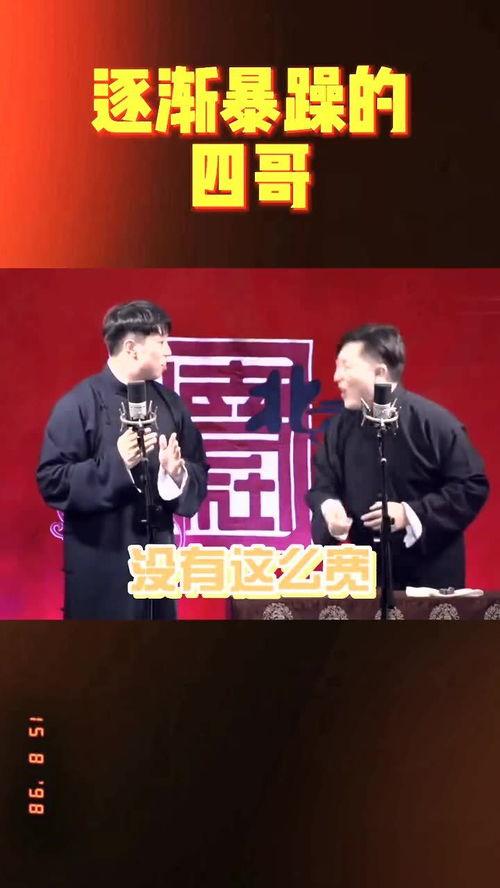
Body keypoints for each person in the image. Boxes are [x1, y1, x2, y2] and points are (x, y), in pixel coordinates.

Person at [37, 301, 208, 619]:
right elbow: (53, 481)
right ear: (131, 348)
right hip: (100, 573)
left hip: (156, 572)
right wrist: (119, 464)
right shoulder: (78, 404)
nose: (169, 352)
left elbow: (199, 468)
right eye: (161, 342)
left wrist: (177, 475)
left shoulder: (171, 404)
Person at [307, 324, 489, 590]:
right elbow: (324, 486)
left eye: (346, 367)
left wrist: (409, 514)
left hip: (431, 582)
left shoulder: (434, 423)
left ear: (380, 372)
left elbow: (472, 486)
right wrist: (330, 510)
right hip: (366, 580)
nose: (336, 377)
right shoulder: (340, 428)